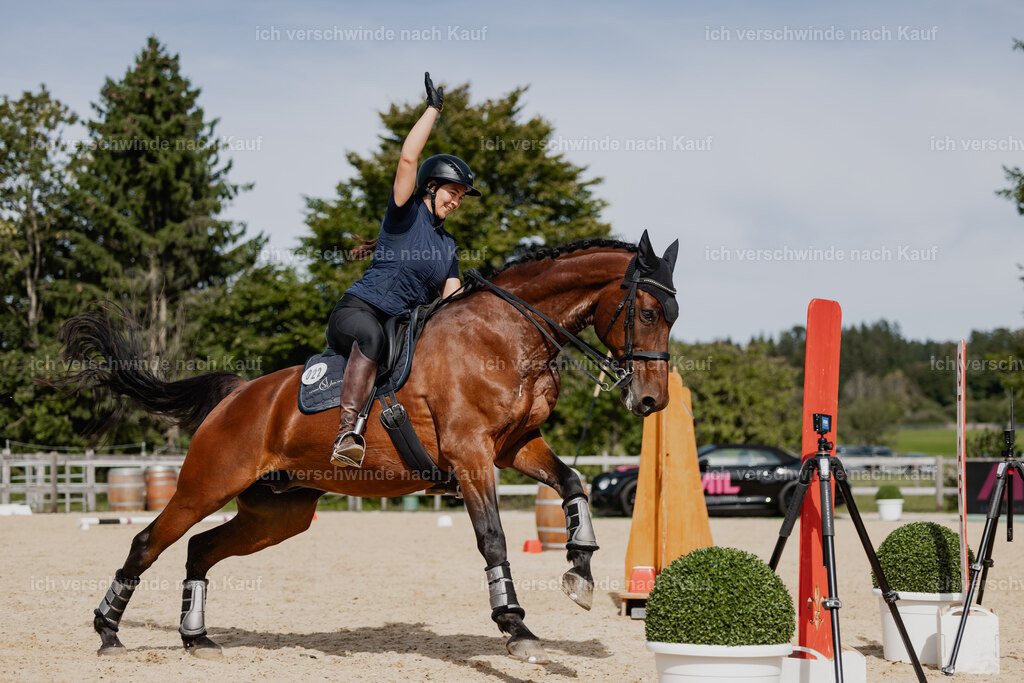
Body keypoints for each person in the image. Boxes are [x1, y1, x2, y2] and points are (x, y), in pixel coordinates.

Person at [326, 72, 481, 468]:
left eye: (461, 197)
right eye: (453, 191)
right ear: (430, 187)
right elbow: (408, 157)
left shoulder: (448, 247)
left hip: (402, 328)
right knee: (373, 340)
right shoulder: (403, 214)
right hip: (358, 313)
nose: (457, 201)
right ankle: (347, 433)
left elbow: (454, 302)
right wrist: (433, 110)